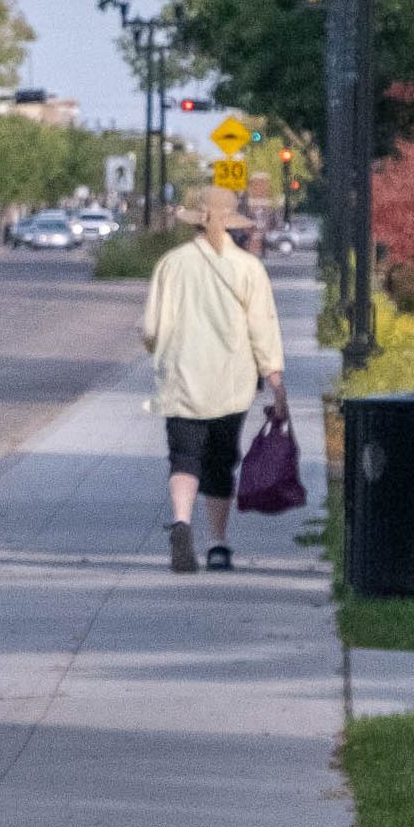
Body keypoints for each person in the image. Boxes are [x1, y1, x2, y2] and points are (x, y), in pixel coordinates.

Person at [140, 185, 288, 572]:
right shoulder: (248, 268)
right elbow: (263, 330)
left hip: (182, 378)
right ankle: (218, 544)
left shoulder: (171, 264)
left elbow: (151, 328)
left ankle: (181, 522)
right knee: (220, 463)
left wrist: (161, 352)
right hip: (231, 382)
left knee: (184, 458)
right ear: (235, 224)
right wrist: (276, 383)